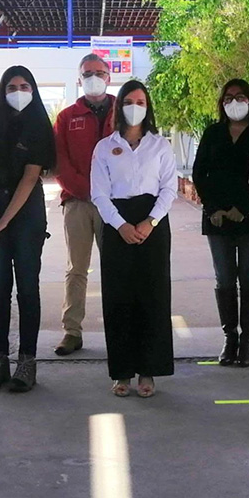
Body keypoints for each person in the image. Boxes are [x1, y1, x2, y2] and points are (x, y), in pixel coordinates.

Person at [90, 80, 177, 398]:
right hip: (117, 224)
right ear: (119, 106)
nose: (135, 107)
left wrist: (150, 221)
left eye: (141, 101)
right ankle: (122, 372)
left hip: (153, 222)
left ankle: (148, 370)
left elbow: (169, 187)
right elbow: (98, 193)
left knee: (152, 296)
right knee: (119, 297)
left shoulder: (161, 145)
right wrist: (121, 225)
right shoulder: (104, 148)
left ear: (148, 107)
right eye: (129, 101)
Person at [0, 66, 56, 393]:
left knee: (27, 287)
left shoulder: (40, 123)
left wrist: (3, 222)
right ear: (2, 90)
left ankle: (27, 360)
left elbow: (29, 179)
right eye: (12, 86)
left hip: (25, 215)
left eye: (25, 85)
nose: (18, 91)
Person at [192, 78, 249, 367]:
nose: (234, 102)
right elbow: (200, 174)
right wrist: (213, 208)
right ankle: (230, 338)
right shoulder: (213, 133)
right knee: (224, 279)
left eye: (239, 96)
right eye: (228, 98)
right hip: (217, 219)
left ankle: (248, 339)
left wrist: (246, 209)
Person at [53, 53, 116, 355]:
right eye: (87, 73)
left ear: (109, 76)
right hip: (77, 202)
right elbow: (60, 162)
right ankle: (72, 331)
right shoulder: (67, 117)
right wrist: (87, 190)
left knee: (117, 268)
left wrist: (108, 193)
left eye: (99, 72)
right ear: (79, 79)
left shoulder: (125, 109)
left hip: (115, 206)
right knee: (77, 269)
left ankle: (121, 328)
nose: (94, 77)